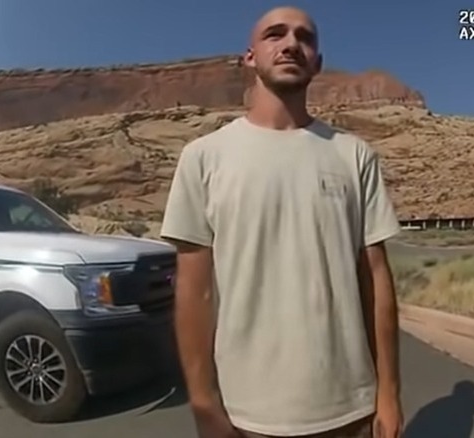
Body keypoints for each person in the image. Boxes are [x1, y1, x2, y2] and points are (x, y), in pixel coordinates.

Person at [160, 6, 403, 438]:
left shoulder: (353, 155)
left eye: (304, 38)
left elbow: (376, 280)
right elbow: (194, 291)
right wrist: (203, 403)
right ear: (250, 56)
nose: (291, 44)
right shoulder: (204, 158)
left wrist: (389, 394)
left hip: (350, 411)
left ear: (318, 62)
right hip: (247, 416)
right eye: (275, 34)